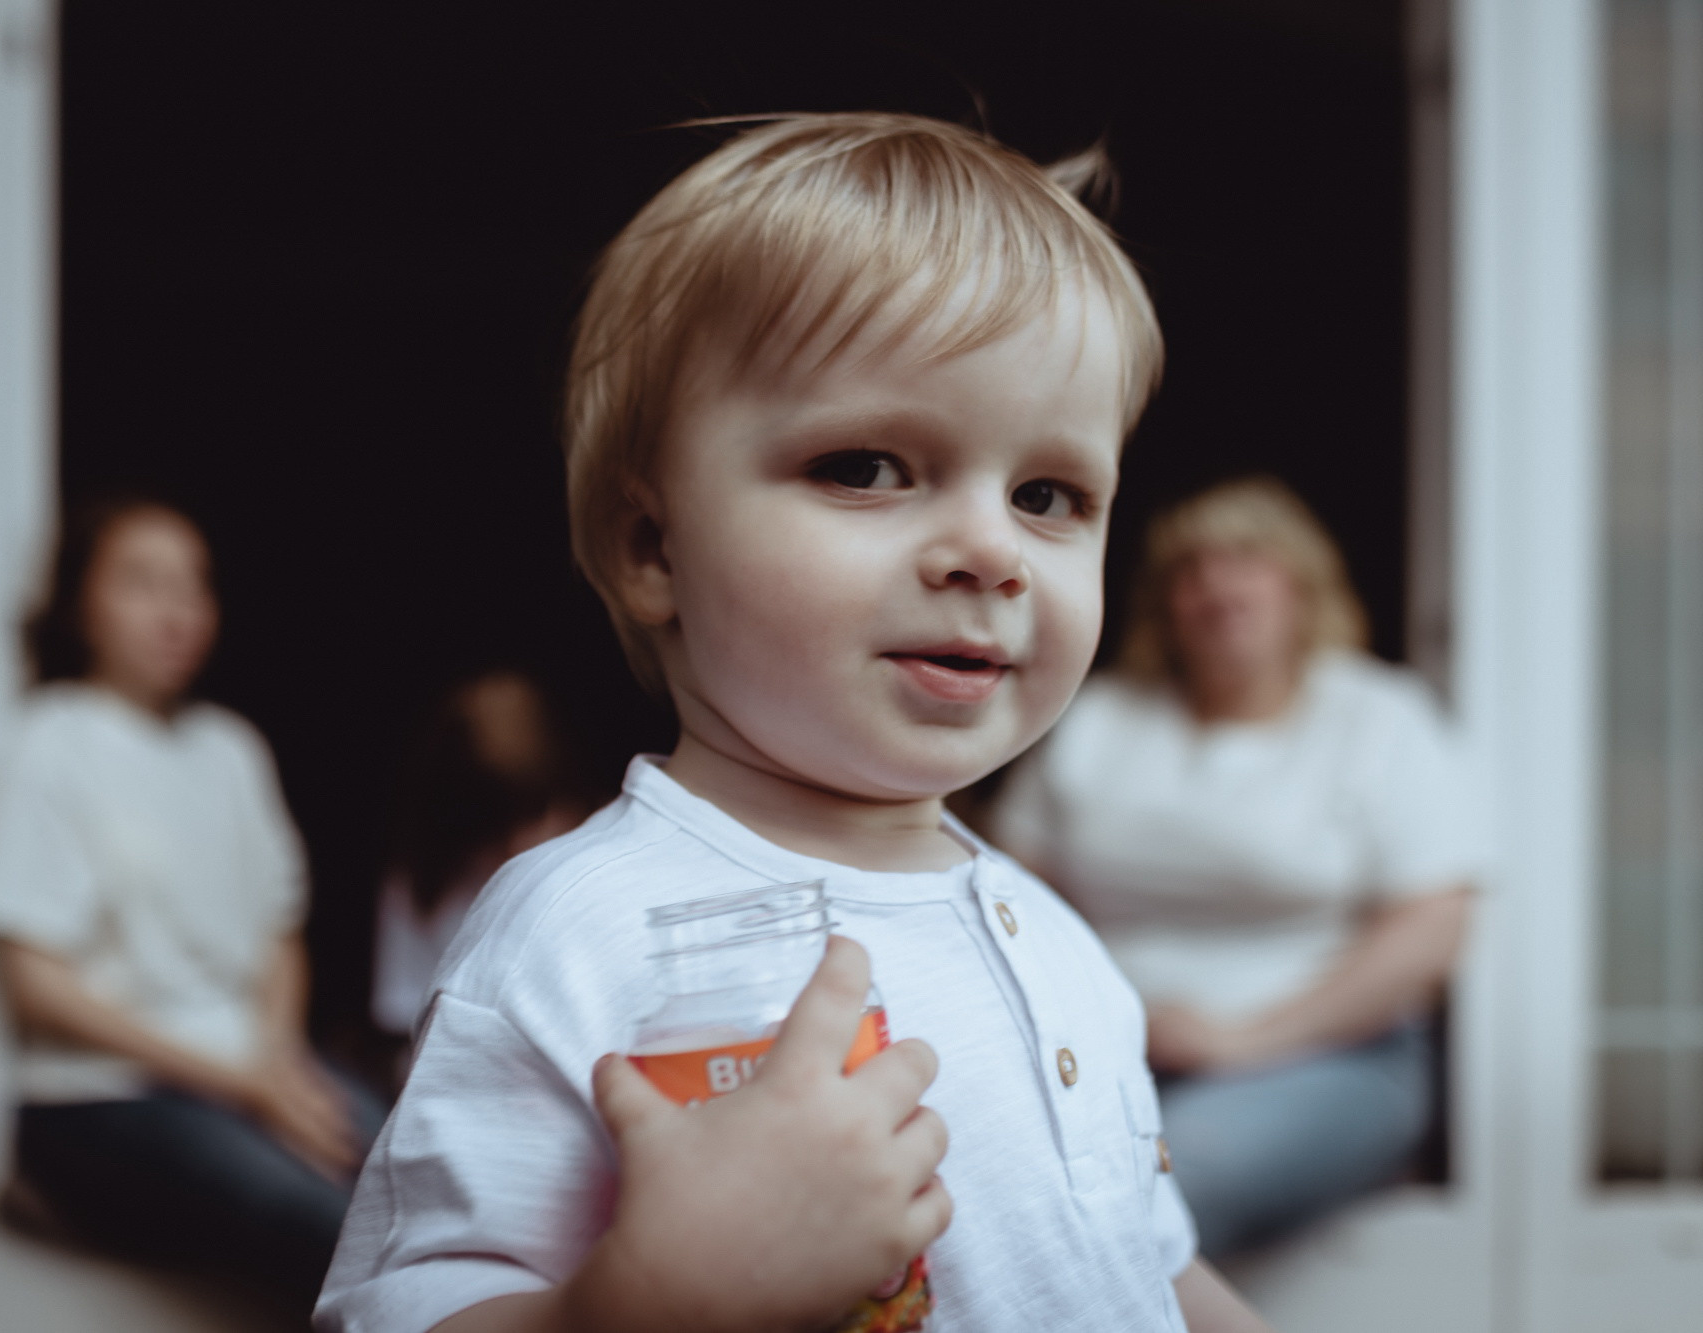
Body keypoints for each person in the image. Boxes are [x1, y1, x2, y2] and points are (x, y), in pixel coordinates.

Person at [318, 113, 1271, 1333]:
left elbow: (1151, 1272)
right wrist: (642, 1303)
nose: (989, 550)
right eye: (864, 467)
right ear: (653, 545)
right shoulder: (577, 928)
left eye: (1047, 495)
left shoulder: (1054, 939)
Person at [989, 477, 1483, 1258]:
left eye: (1245, 559)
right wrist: (1096, 1023)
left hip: (1334, 1059)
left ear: (1302, 584)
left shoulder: (1380, 717)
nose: (1215, 585)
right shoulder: (1096, 717)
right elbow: (1010, 893)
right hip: (1105, 1054)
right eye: (1191, 569)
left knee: (1163, 1182)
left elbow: (1431, 929)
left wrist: (1240, 1041)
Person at [0, 497, 382, 1308]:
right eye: (142, 582)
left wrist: (272, 1057)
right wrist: (244, 1085)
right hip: (101, 1096)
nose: (177, 611)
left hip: (245, 1064)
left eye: (194, 586)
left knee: (437, 1185)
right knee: (340, 1233)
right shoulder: (49, 740)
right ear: (81, 603)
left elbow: (278, 929)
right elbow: (34, 985)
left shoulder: (230, 749)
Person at [372, 669, 586, 1060]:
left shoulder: (596, 870)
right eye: (494, 828)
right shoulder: (425, 885)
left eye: (533, 815)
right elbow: (402, 1018)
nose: (517, 844)